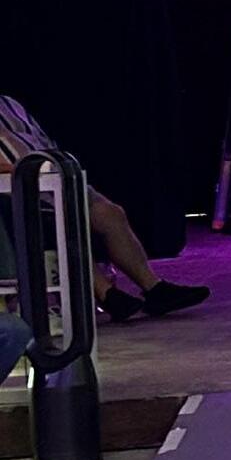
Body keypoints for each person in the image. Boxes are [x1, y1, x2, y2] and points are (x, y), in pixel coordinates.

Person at [0, 93, 210, 325]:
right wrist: (25, 170)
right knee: (65, 223)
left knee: (111, 213)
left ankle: (154, 288)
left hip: (55, 179)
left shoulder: (9, 104)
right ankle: (107, 295)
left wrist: (59, 166)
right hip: (16, 191)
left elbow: (42, 141)